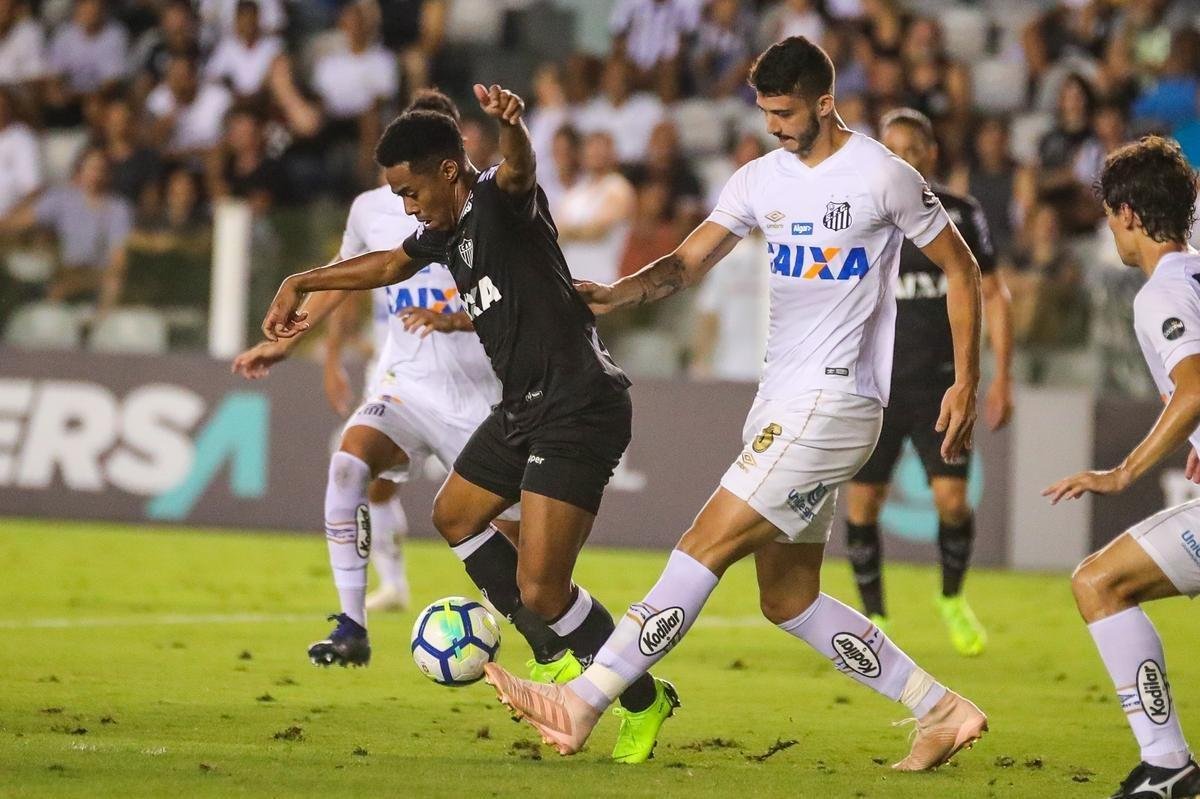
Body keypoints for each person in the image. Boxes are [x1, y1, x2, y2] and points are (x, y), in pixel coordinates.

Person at [483, 36, 987, 773]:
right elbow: (687, 261)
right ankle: (940, 708)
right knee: (788, 599)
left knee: (702, 546)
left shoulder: (883, 174)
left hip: (837, 398)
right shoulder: (759, 179)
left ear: (823, 101)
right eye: (765, 113)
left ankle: (586, 697)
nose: (775, 125)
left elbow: (962, 268)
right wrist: (618, 293)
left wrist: (966, 379)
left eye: (785, 112)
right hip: (782, 403)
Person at [257, 85, 677, 764]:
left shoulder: (497, 200)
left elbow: (518, 168)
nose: (405, 204)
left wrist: (513, 127)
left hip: (579, 405)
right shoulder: (443, 231)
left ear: (448, 170)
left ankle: (641, 696)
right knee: (454, 513)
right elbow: (392, 262)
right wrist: (303, 280)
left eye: (409, 190)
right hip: (522, 405)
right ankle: (554, 657)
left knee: (544, 586)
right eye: (396, 195)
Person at [1043, 136, 1200, 799]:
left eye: (1110, 215)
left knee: (1098, 582)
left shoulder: (1160, 292)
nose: (1111, 228)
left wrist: (1123, 471)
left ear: (1129, 214)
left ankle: (1167, 762)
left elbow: (1194, 386)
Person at [844, 108, 1012, 656]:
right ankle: (877, 619)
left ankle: (952, 599)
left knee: (952, 500)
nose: (902, 159)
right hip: (877, 387)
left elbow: (993, 292)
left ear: (931, 154)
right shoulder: (865, 215)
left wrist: (998, 376)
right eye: (891, 149)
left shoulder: (960, 215)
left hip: (941, 384)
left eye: (912, 149)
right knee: (862, 505)